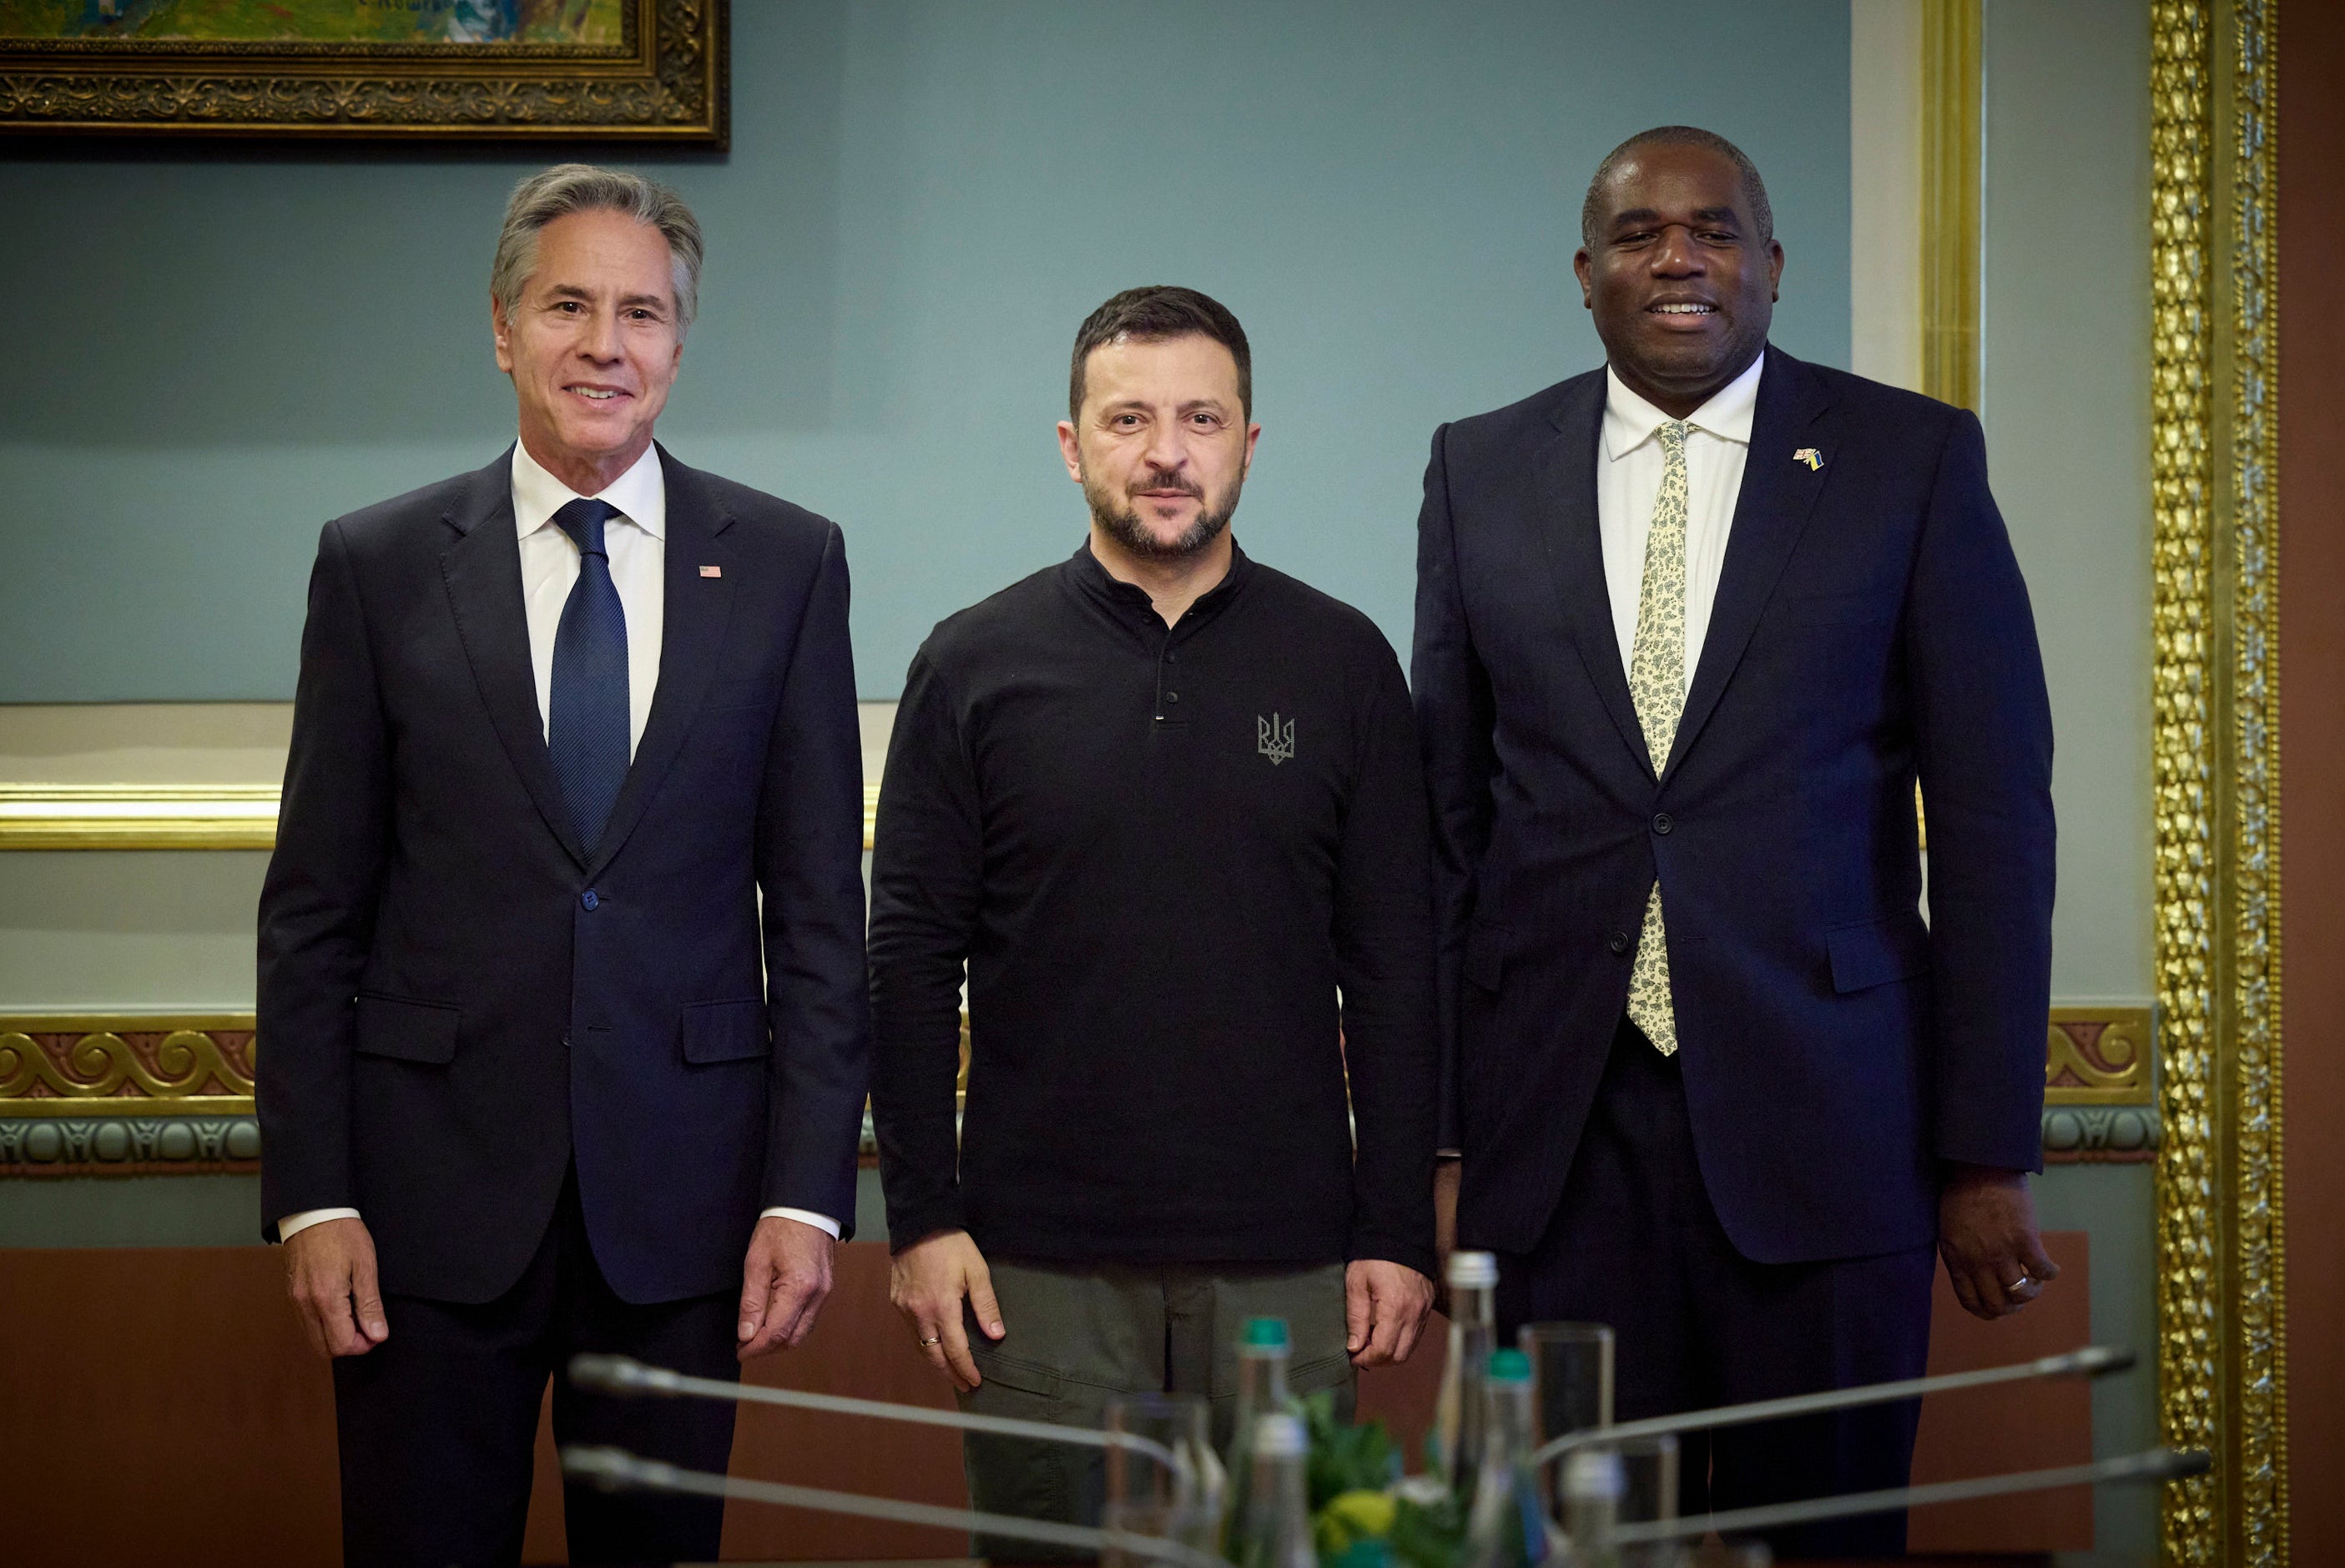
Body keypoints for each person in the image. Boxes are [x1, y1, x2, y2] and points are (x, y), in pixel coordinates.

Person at [1410, 127, 2059, 1557]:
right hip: (1554, 1155)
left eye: (1713, 230)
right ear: (1585, 275)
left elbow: (1996, 818)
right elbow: (1444, 834)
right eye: (1640, 234)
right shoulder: (1478, 469)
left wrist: (1984, 1150)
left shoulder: (1908, 459)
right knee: (1564, 1544)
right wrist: (1438, 1134)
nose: (1679, 258)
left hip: (1834, 1138)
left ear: (1771, 265)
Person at [256, 164, 870, 1568]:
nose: (607, 344)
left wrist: (801, 1191)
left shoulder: (784, 563)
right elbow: (312, 914)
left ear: (678, 339)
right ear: (501, 328)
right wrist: (316, 1193)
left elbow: (822, 914)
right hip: (422, 1212)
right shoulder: (380, 563)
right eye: (569, 306)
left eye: (643, 313)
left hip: (685, 1211)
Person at [870, 285, 1439, 1545]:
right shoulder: (971, 664)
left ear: (1247, 442)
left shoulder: (1342, 664)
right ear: (1072, 445)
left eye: (1201, 417)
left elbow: (1397, 964)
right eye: (1128, 418)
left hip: (1291, 1266)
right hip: (1036, 1272)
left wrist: (1398, 1225)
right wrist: (922, 1219)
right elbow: (908, 962)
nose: (1166, 451)